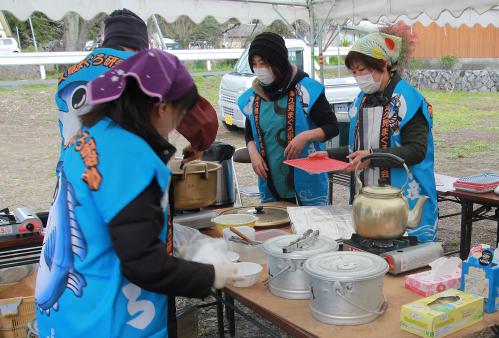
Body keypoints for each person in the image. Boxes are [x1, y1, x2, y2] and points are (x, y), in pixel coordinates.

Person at [35, 49, 239, 337]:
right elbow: (144, 263)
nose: (176, 127)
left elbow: (111, 222)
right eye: (180, 114)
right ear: (161, 107)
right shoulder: (130, 157)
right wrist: (210, 275)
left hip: (70, 312)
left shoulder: (88, 136)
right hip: (110, 320)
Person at [311, 32, 438, 242]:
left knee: (403, 259)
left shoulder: (407, 100)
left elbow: (416, 151)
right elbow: (358, 149)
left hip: (403, 199)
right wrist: (328, 154)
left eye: (363, 69)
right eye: (354, 71)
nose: (359, 76)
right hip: (369, 201)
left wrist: (372, 156)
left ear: (383, 64)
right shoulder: (361, 100)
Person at [55, 8, 213, 168]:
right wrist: (199, 145)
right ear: (141, 45)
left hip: (71, 180)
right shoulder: (144, 68)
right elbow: (200, 120)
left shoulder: (68, 76)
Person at [238, 32, 339, 206]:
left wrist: (305, 136)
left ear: (277, 61)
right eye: (254, 64)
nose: (259, 69)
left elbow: (332, 127)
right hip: (271, 181)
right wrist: (254, 155)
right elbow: (249, 134)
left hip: (308, 182)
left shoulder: (306, 90)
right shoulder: (252, 98)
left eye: (263, 63)